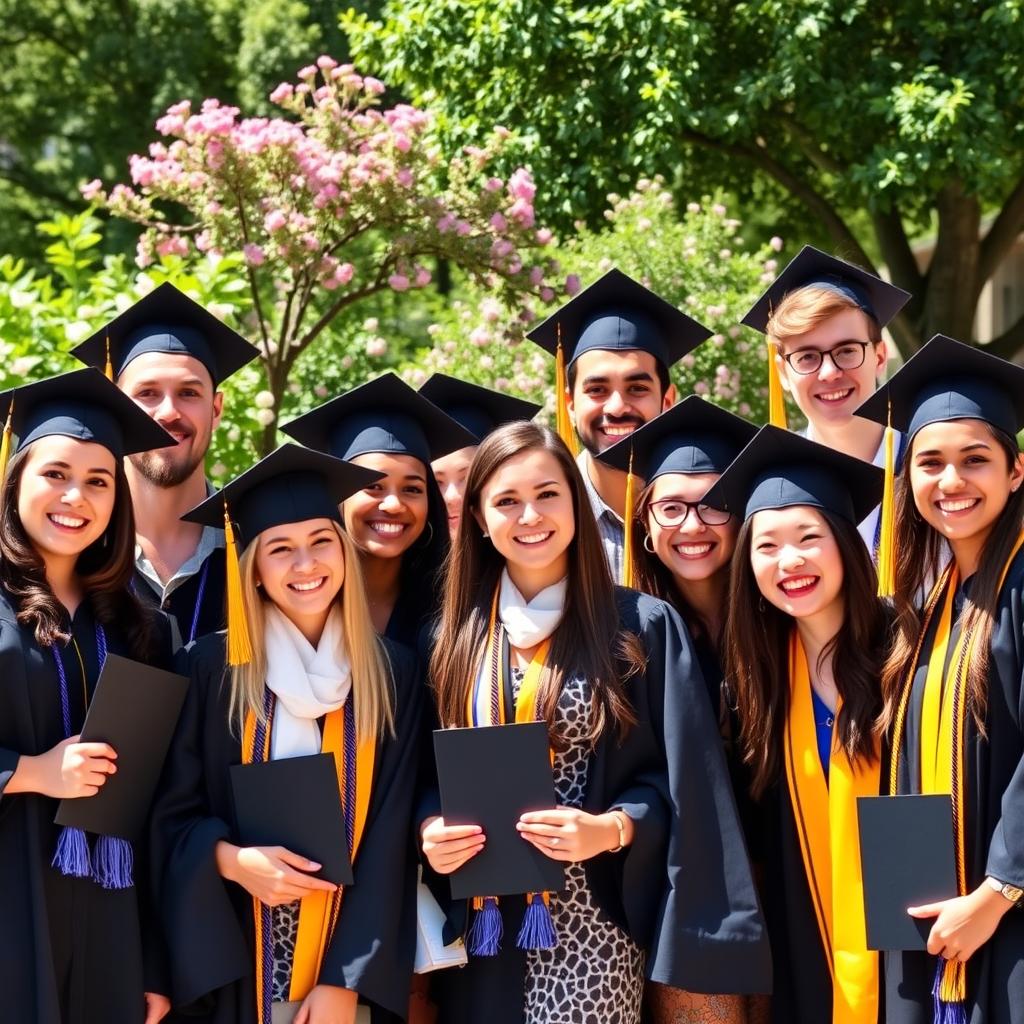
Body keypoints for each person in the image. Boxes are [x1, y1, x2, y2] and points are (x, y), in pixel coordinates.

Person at [420, 420, 770, 1024]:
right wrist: (429, 827)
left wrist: (613, 828)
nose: (530, 515)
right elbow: (418, 774)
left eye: (547, 494)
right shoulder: (450, 639)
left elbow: (686, 784)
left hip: (593, 926)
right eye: (506, 500)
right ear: (478, 517)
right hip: (483, 929)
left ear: (577, 505)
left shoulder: (639, 627)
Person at [150, 443, 426, 1024]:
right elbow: (171, 812)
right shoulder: (211, 669)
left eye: (321, 542)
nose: (305, 565)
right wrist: (226, 859)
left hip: (343, 962)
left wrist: (344, 983)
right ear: (251, 568)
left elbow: (390, 841)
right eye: (280, 549)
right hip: (237, 952)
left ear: (345, 553)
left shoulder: (392, 672)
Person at [0, 368, 177, 1024]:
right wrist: (30, 772)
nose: (76, 496)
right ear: (15, 478)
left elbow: (161, 805)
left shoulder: (141, 626)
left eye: (98, 481)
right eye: (54, 473)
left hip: (110, 914)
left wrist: (153, 958)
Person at [856, 335, 1024, 1024]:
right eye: (930, 463)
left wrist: (995, 893)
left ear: (1017, 472)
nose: (951, 481)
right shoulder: (930, 607)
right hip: (931, 918)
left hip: (1002, 920)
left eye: (975, 460)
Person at [706, 425, 887, 1024]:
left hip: (911, 935)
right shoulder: (753, 684)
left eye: (809, 537)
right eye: (766, 546)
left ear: (844, 543)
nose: (790, 562)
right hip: (804, 940)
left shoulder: (905, 653)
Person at [600, 396, 762, 1023]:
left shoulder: (785, 623)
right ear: (644, 523)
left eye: (715, 502)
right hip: (686, 896)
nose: (693, 524)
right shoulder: (628, 635)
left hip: (796, 872)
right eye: (671, 507)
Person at [72, 282, 259, 644]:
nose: (169, 412)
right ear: (117, 405)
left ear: (216, 409)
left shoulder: (257, 547)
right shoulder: (73, 544)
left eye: (189, 393)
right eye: (147, 393)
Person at [526, 268, 711, 581]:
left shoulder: (708, 517)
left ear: (667, 401)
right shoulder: (542, 522)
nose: (616, 407)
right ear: (570, 404)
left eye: (637, 388)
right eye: (597, 390)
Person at [282, 373, 476, 647]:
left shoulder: (454, 610)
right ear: (338, 496)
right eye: (373, 486)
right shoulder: (296, 598)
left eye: (412, 489)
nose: (394, 504)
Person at [742, 246, 911, 554]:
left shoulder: (930, 472)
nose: (830, 372)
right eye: (807, 357)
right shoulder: (765, 488)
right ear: (782, 372)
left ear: (880, 356)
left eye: (847, 351)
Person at [418, 373, 540, 538]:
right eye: (436, 482)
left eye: (468, 478)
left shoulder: (524, 556)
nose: (451, 497)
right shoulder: (410, 563)